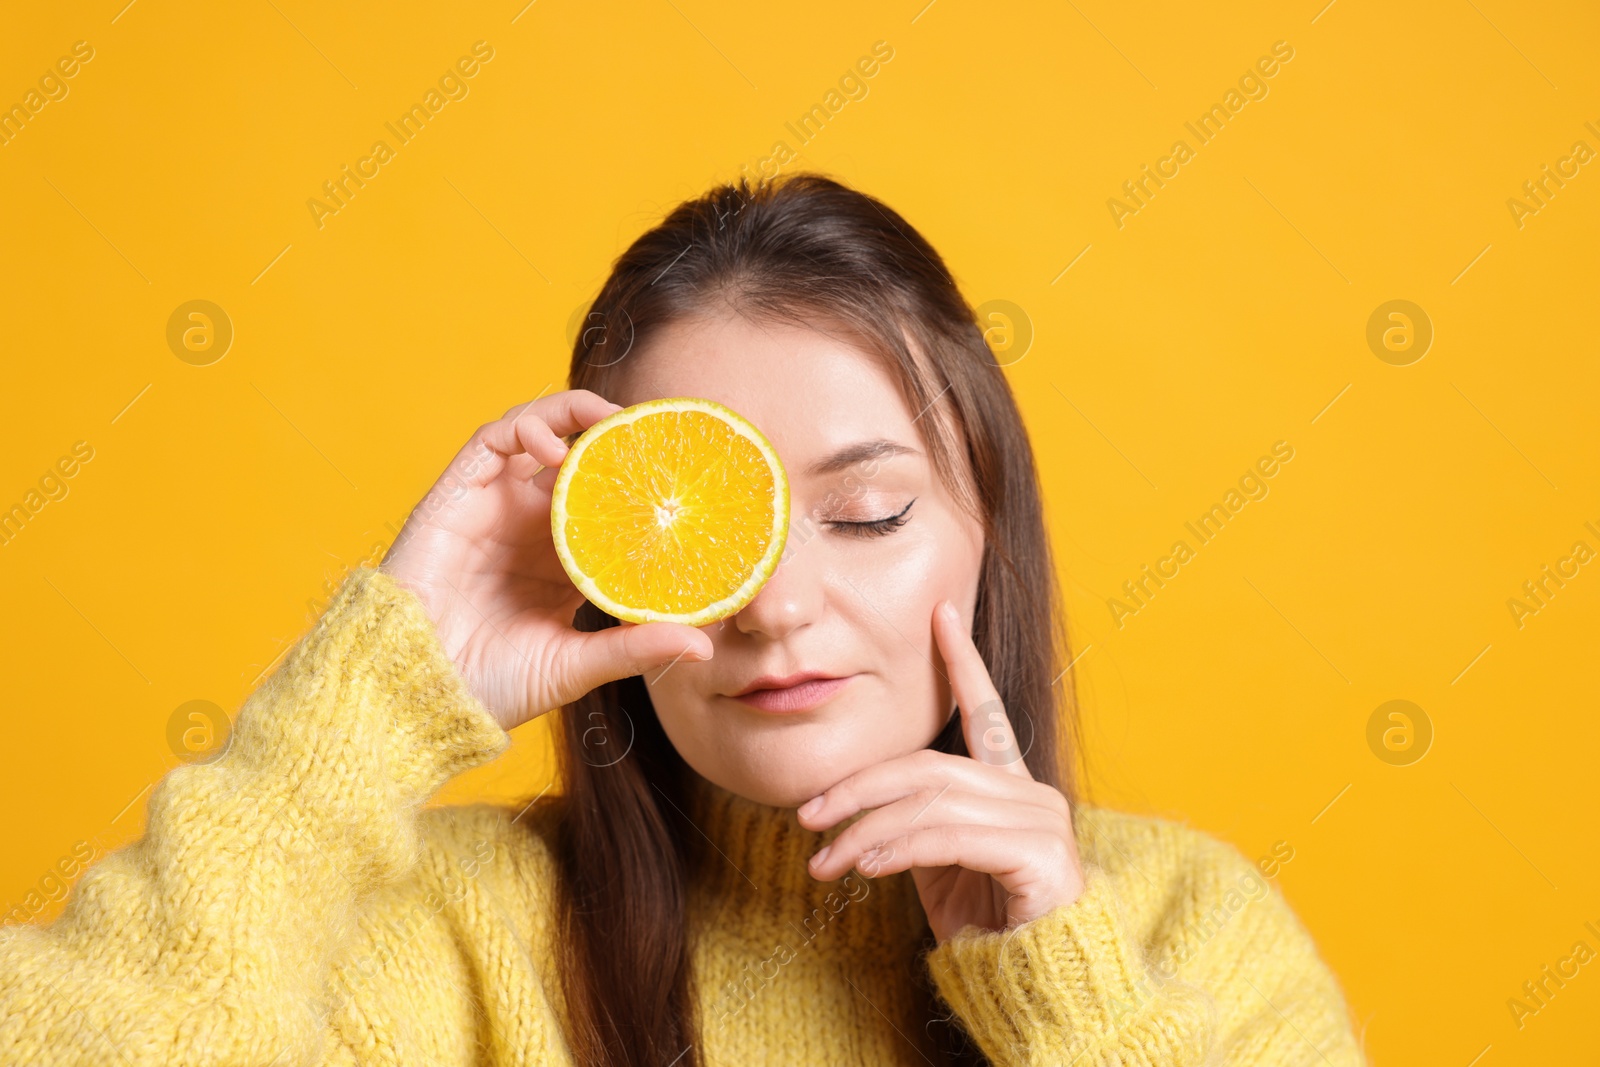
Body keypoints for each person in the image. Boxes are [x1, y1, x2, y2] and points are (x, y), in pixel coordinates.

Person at [0, 173, 1368, 1066]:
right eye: (703, 535)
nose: (774, 606)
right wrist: (364, 704)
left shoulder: (1193, 934)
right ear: (595, 559)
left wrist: (1067, 997)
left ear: (984, 534)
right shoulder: (434, 935)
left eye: (870, 515)